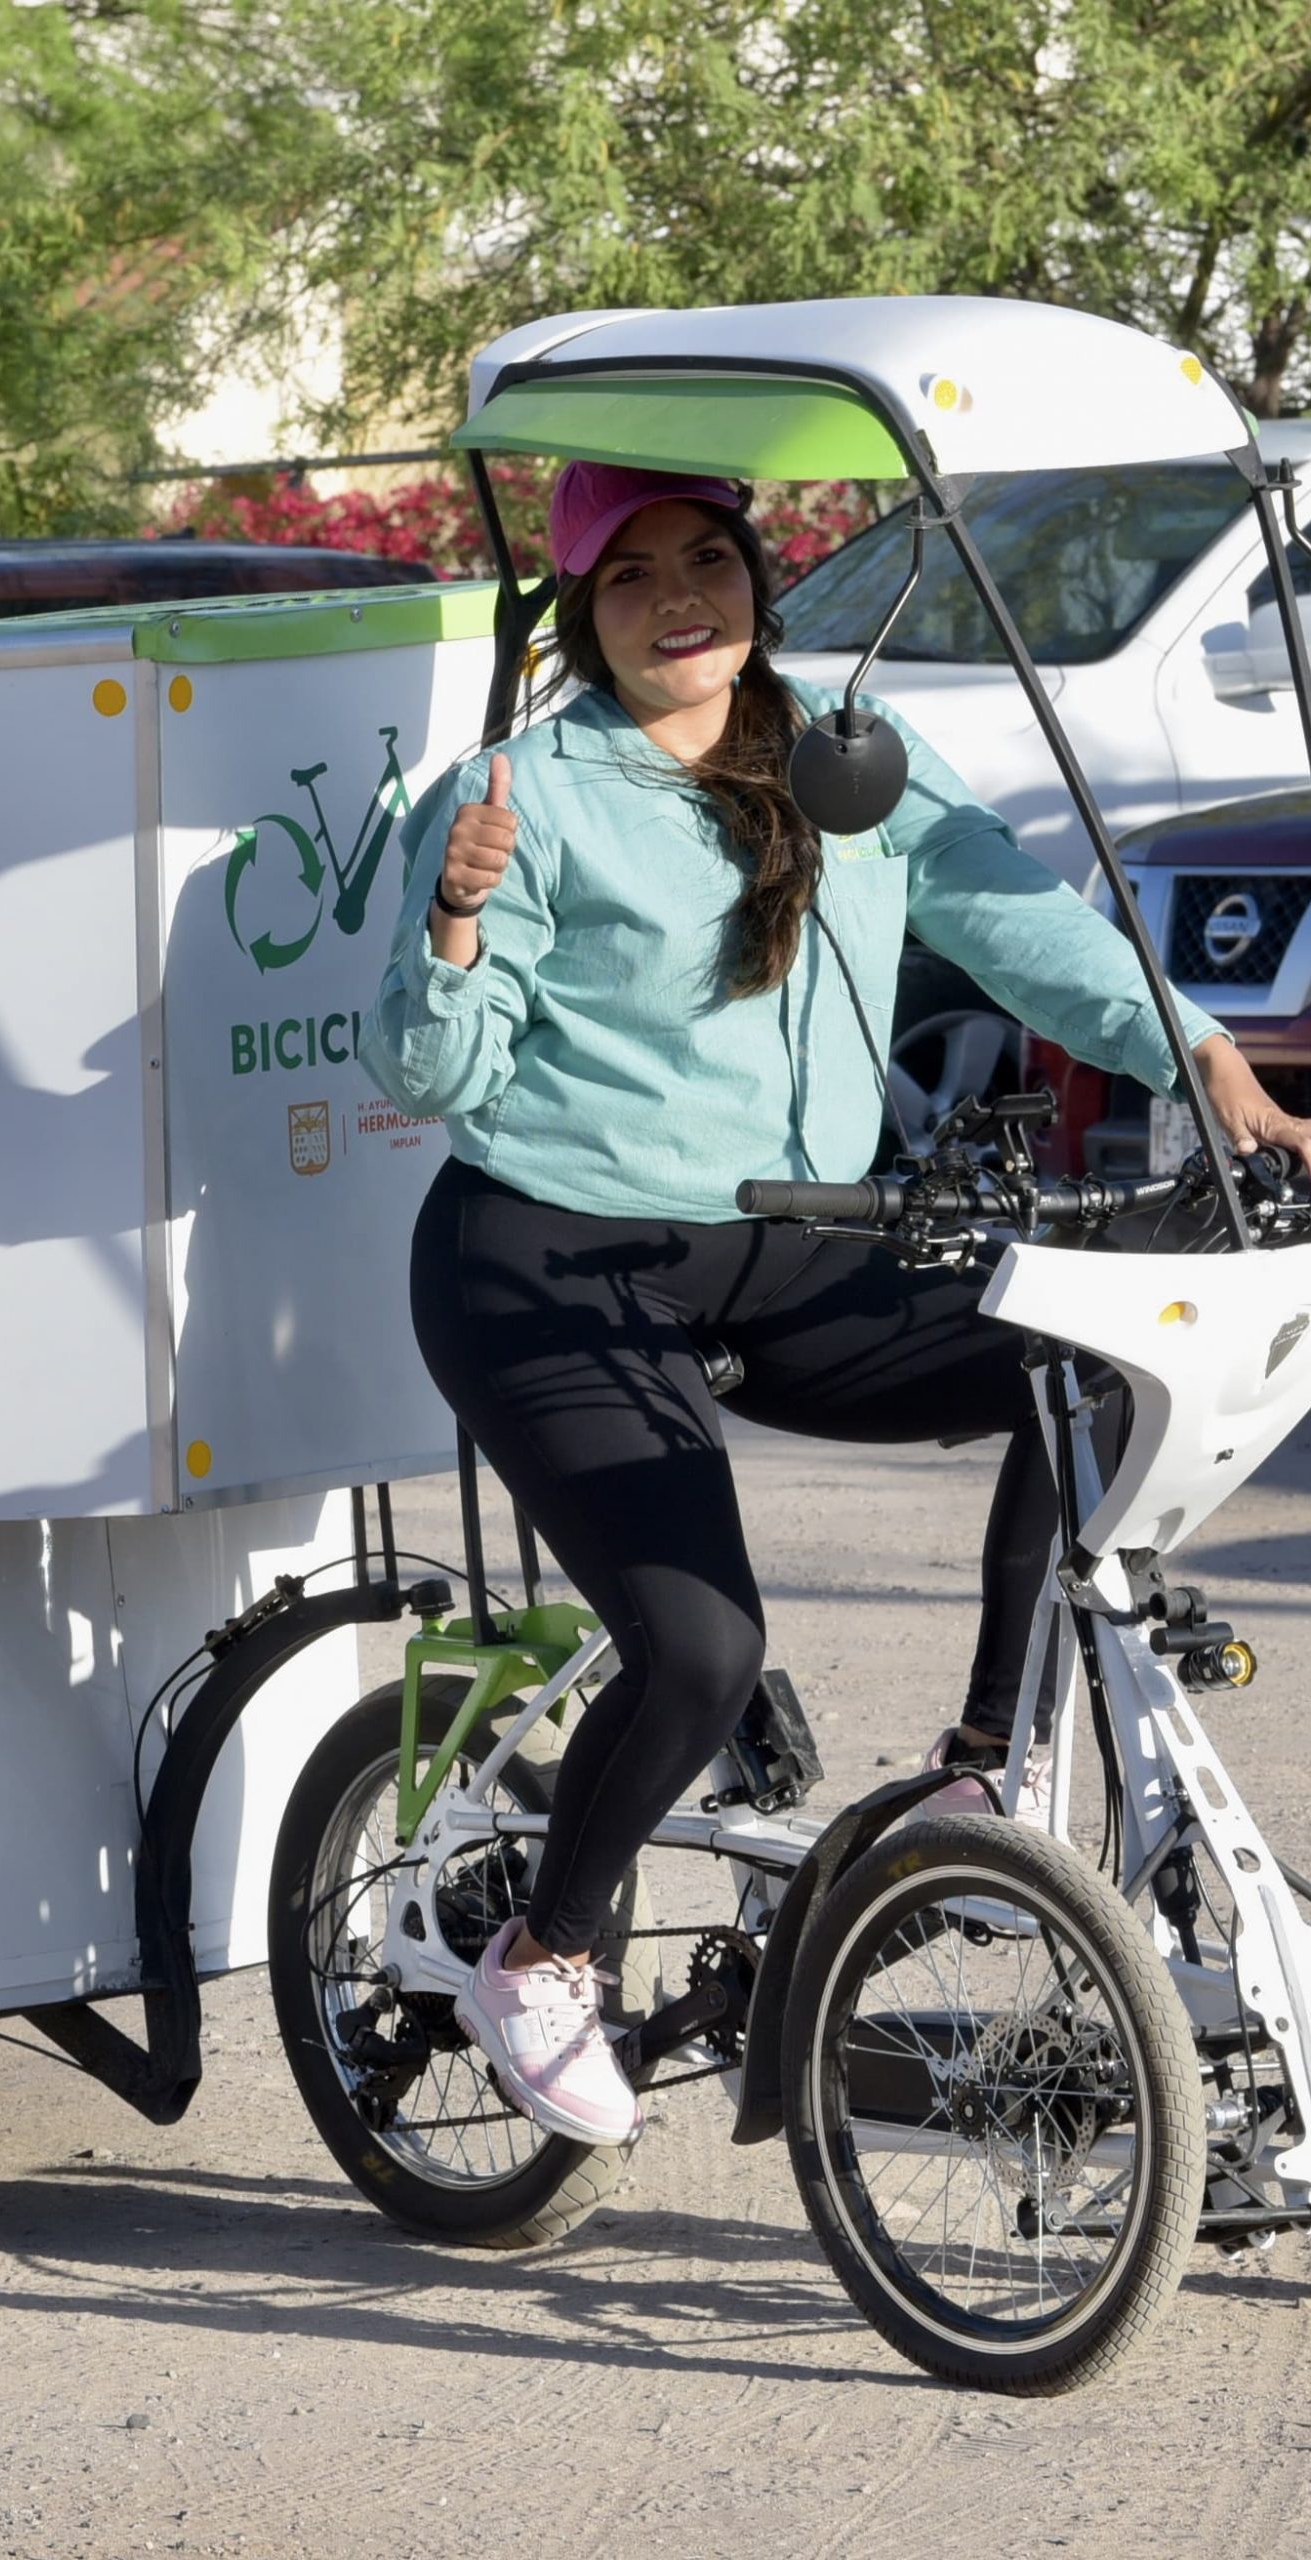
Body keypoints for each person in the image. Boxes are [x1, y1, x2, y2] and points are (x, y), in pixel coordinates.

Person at [358, 460, 1311, 2148]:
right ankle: (542, 1950)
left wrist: (1206, 1050)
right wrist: (452, 921)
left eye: (708, 560)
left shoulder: (844, 755)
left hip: (797, 1237)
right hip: (552, 1255)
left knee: (1085, 1363)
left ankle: (976, 1772)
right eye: (633, 570)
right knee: (706, 1646)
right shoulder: (522, 790)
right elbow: (433, 1070)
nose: (677, 597)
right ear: (581, 606)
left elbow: (1019, 922)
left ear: (756, 583)